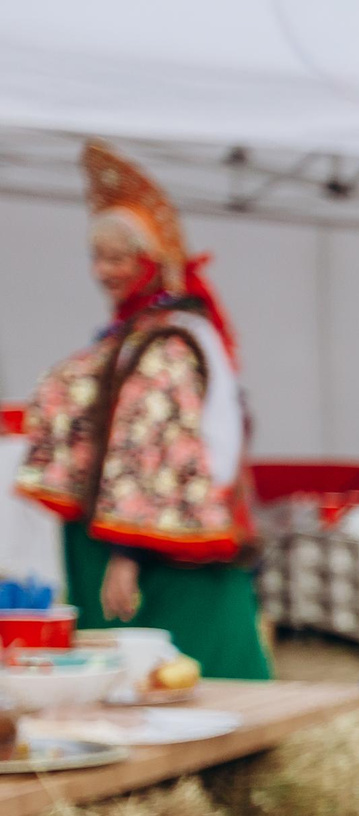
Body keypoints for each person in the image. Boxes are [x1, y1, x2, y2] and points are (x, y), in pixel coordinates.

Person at [15, 142, 268, 680]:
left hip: (162, 553)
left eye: (117, 258)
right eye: (97, 257)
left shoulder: (174, 339)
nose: (103, 271)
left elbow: (163, 449)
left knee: (192, 677)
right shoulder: (135, 333)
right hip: (121, 537)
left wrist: (128, 555)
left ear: (150, 262)